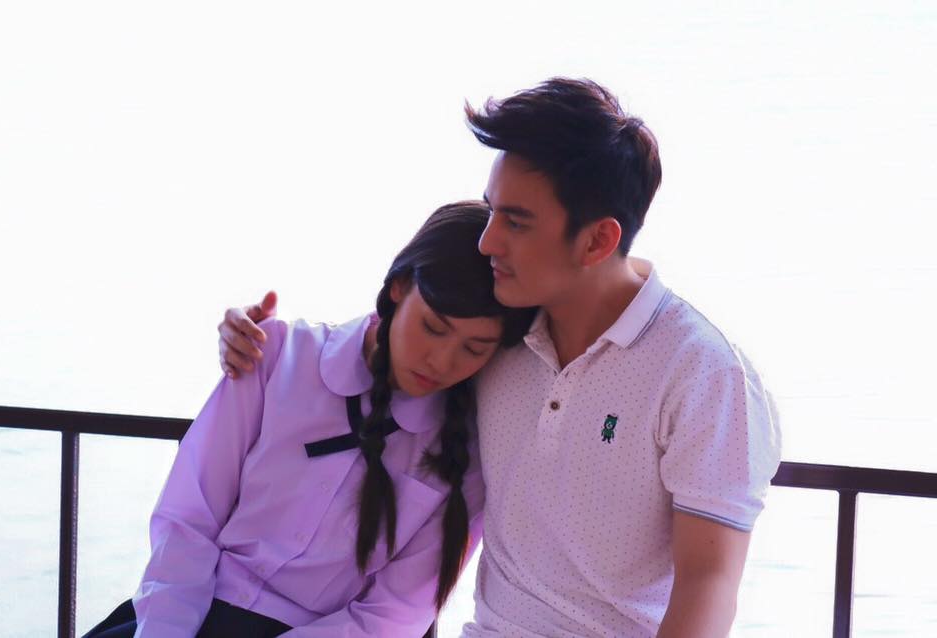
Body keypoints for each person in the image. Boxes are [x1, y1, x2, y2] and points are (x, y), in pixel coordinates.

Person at [219, 78, 782, 637]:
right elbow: (388, 340)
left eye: (515, 222)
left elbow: (708, 585)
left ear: (596, 241)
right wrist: (255, 340)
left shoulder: (704, 375)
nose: (487, 242)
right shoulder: (497, 334)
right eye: (491, 212)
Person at [83, 202, 536, 638]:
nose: (441, 361)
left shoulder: (466, 455)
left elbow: (394, 616)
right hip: (185, 611)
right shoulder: (276, 355)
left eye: (474, 349)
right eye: (433, 328)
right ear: (399, 287)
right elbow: (188, 519)